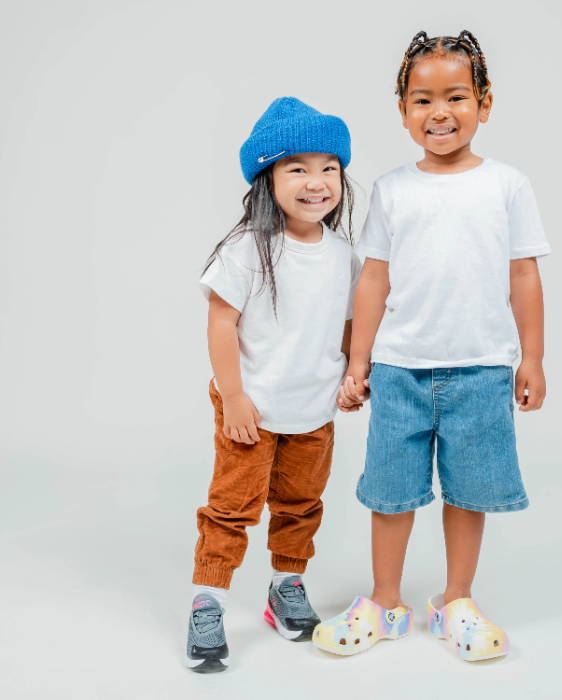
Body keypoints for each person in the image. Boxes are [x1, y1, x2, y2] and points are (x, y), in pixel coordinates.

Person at [313, 30, 551, 662]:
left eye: (455, 97)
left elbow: (524, 274)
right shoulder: (393, 189)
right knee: (390, 490)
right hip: (400, 369)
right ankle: (385, 602)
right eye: (422, 100)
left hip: (482, 370)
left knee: (470, 491)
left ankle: (456, 600)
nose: (439, 112)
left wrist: (533, 357)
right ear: (403, 111)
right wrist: (357, 362)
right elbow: (374, 278)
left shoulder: (507, 185)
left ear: (484, 102)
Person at [186, 97, 361, 672]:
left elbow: (348, 323)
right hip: (252, 409)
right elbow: (221, 322)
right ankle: (206, 601)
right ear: (267, 178)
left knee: (301, 504)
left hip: (314, 410)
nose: (317, 182)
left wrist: (355, 371)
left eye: (328, 168)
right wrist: (233, 395)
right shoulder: (246, 249)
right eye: (298, 168)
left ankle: (286, 586)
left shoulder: (343, 255)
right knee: (231, 507)